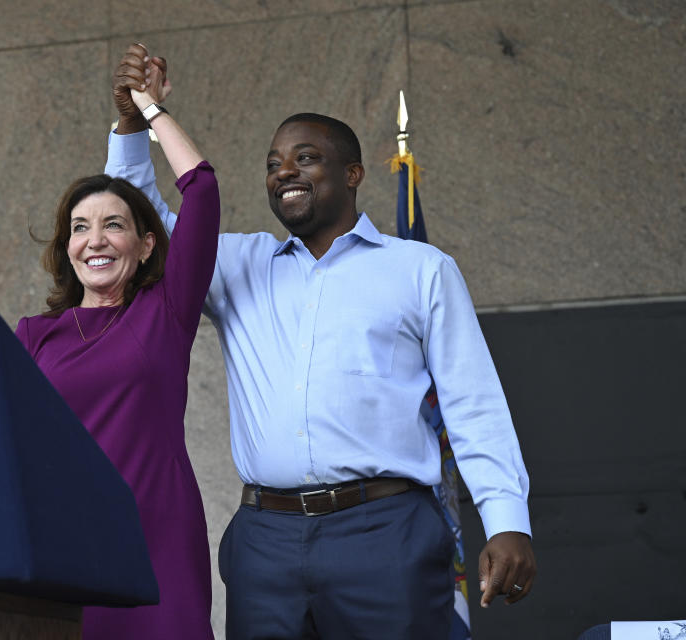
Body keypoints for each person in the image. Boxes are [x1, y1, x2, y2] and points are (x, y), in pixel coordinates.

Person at [108, 45, 537, 639]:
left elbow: (473, 403)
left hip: (386, 532)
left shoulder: (421, 269)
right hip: (266, 540)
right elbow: (139, 223)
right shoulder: (236, 263)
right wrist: (133, 124)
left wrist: (507, 519)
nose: (284, 171)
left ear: (352, 174)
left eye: (305, 158)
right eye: (273, 163)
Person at [16, 55, 218, 639]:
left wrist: (149, 109)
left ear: (147, 244)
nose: (95, 240)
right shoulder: (35, 335)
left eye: (114, 225)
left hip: (159, 537)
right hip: (64, 541)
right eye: (80, 226)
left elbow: (201, 191)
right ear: (67, 246)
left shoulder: (167, 311)